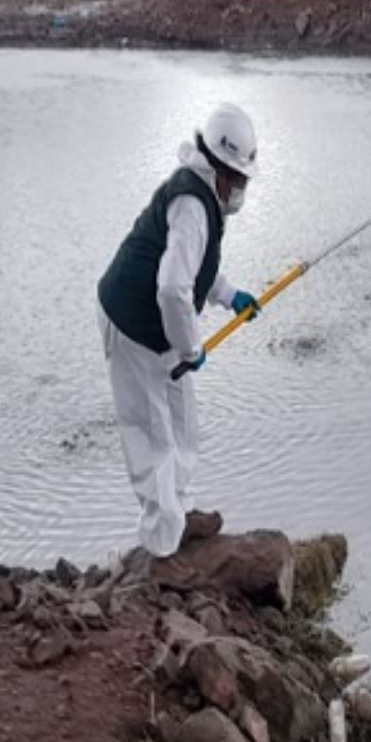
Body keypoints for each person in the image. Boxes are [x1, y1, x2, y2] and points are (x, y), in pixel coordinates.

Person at [97, 104, 263, 558]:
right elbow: (172, 289)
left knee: (182, 421)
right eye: (241, 179)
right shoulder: (192, 204)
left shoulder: (206, 199)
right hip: (133, 321)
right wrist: (189, 348)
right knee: (150, 432)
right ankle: (158, 549)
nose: (242, 189)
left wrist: (229, 296)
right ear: (221, 169)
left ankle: (179, 517)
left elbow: (193, 269)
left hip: (161, 323)